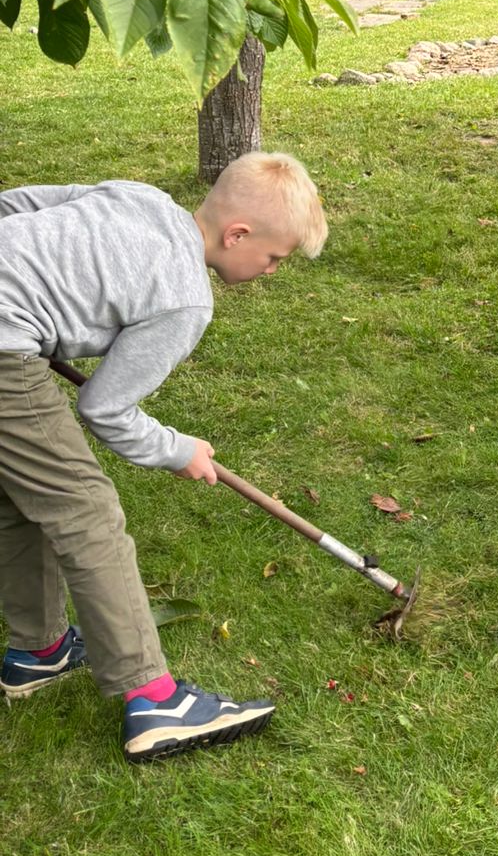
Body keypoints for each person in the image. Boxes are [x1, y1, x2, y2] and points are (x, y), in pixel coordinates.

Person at [0, 153, 328, 763]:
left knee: (22, 498)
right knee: (86, 513)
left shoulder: (139, 195)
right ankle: (155, 700)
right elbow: (105, 409)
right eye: (275, 258)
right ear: (237, 235)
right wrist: (177, 450)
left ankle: (39, 652)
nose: (271, 271)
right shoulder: (185, 299)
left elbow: (15, 205)